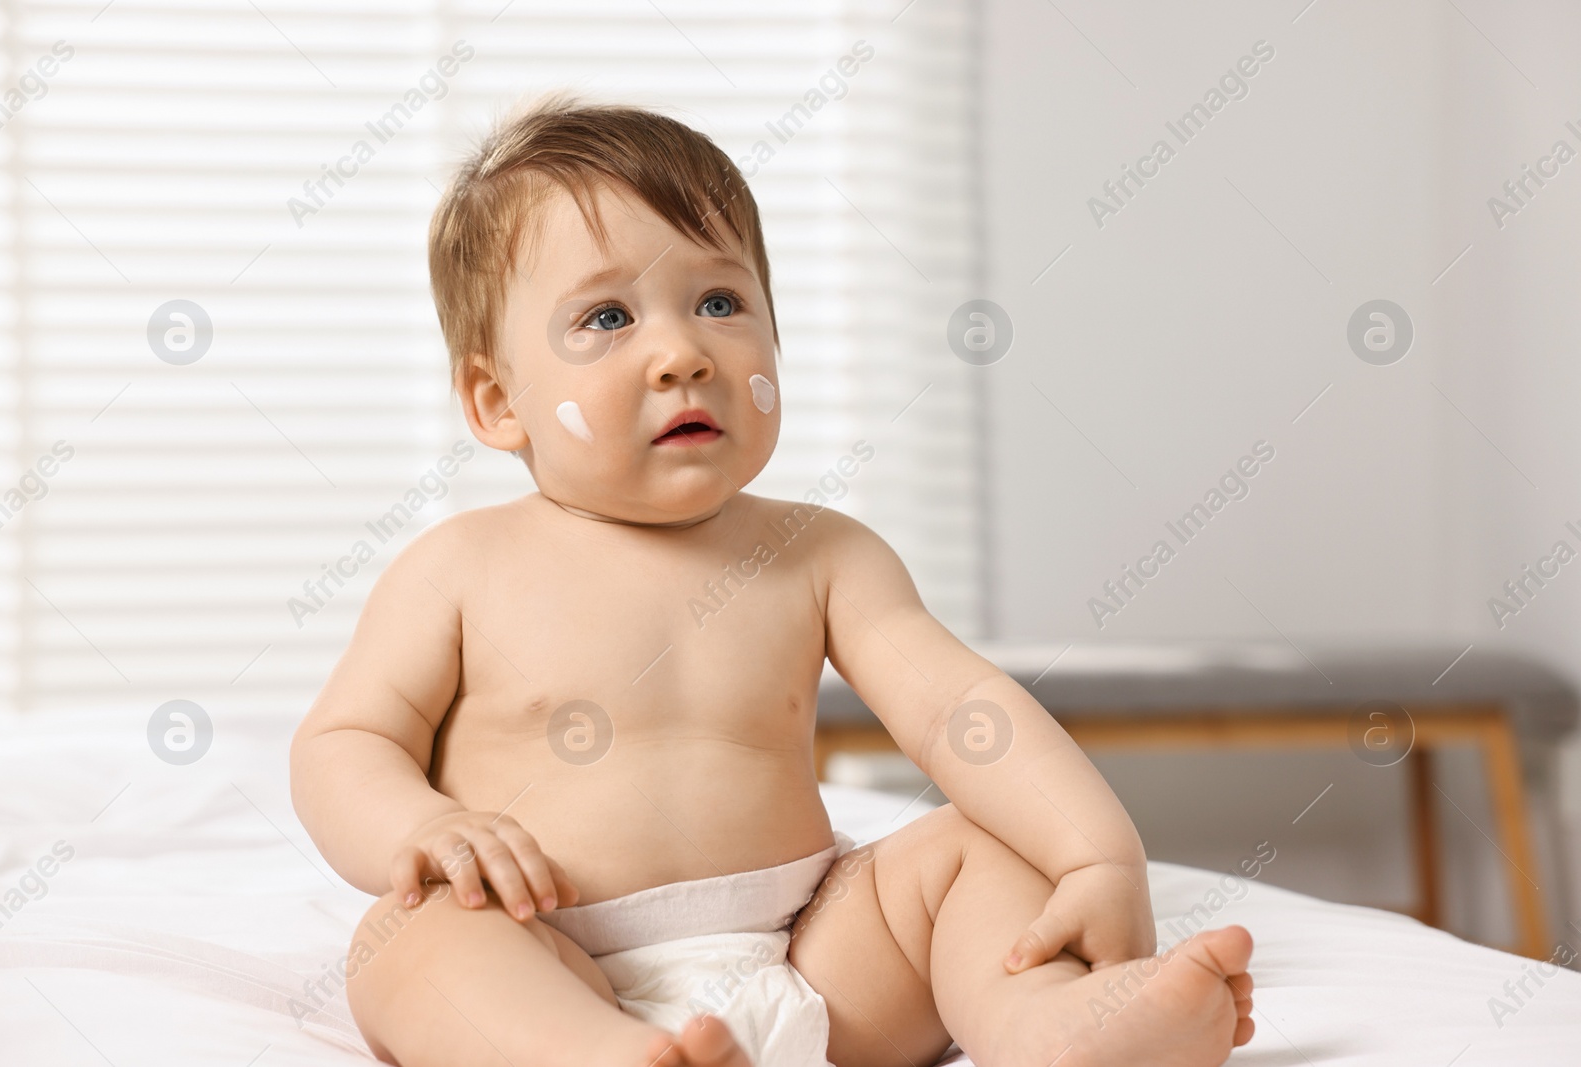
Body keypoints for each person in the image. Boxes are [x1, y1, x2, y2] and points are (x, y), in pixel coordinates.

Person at [289, 95, 1255, 1067]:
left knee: (970, 848)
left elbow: (962, 710)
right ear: (497, 400)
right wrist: (424, 824)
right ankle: (593, 1054)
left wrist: (1094, 851)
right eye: (608, 316)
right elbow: (346, 739)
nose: (682, 354)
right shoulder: (458, 566)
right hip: (547, 943)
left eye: (719, 301)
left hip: (812, 953)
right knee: (404, 939)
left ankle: (1050, 1026)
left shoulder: (822, 553)